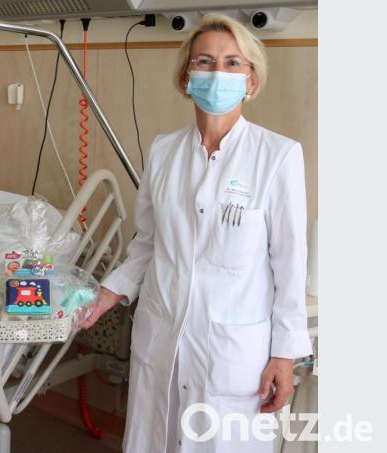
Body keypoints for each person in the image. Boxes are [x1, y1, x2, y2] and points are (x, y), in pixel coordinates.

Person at [79, 14, 312, 452]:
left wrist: (284, 354)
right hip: (163, 339)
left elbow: (289, 262)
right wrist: (107, 294)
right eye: (204, 61)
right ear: (187, 77)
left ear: (252, 81)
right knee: (156, 439)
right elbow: (147, 243)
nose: (217, 73)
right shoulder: (164, 151)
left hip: (232, 351)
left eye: (232, 63)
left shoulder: (278, 156)